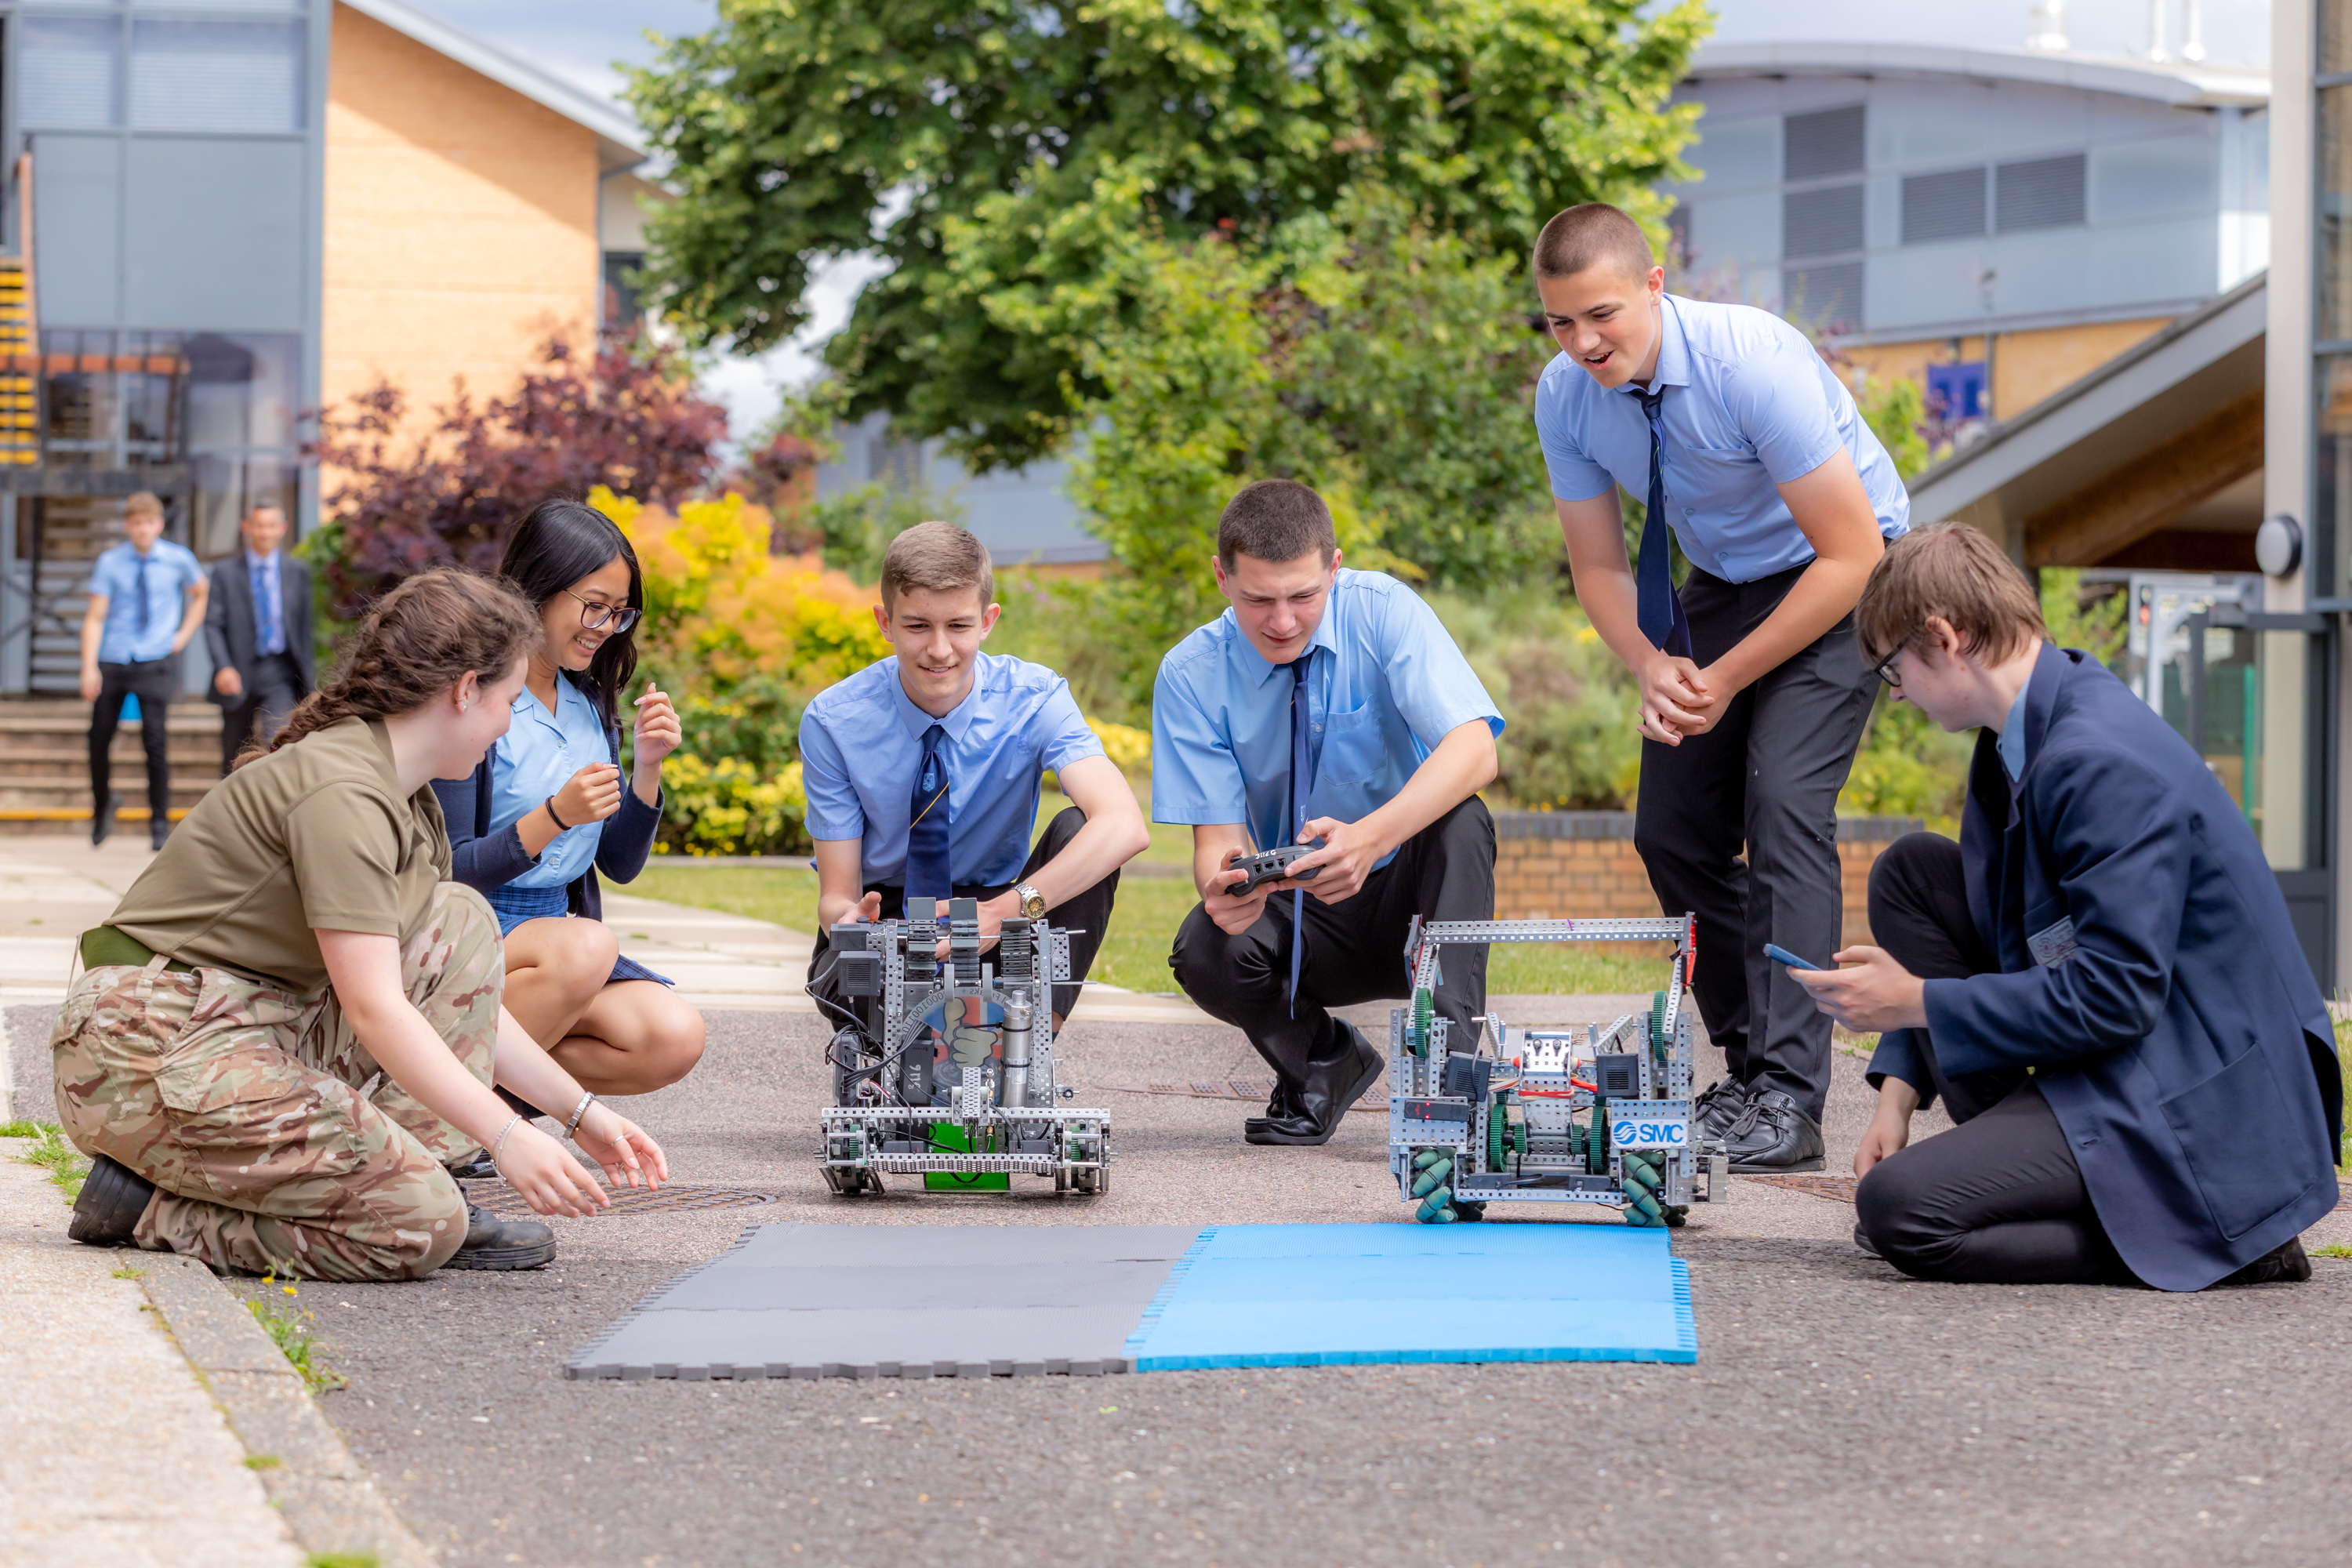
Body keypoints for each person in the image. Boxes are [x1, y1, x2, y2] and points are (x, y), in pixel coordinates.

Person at [50, 569, 669, 1281]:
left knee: (460, 918)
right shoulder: (344, 789)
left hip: (243, 1026)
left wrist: (582, 1112)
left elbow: (463, 1003)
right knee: (418, 1227)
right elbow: (377, 1010)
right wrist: (506, 1136)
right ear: (464, 690)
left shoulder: (406, 800)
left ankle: (412, 1180)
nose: (507, 724)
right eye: (506, 700)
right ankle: (151, 1211)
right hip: (142, 1056)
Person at [1790, 524, 2341, 1290]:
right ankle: (2019, 1157)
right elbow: (2009, 927)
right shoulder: (2023, 731)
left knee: (1902, 1211)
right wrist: (1897, 1092)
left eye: (1893, 671)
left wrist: (1914, 1001)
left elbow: (2115, 994)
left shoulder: (2098, 759)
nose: (1898, 695)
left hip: (2205, 1101)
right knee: (1913, 872)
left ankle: (2228, 1238)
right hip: (2126, 1051)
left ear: (1945, 638)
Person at [1530, 202, 1910, 1174]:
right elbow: (1602, 568)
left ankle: (1790, 1095)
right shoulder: (1566, 396)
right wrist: (1654, 665)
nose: (1583, 343)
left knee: (1784, 803)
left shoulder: (1752, 362)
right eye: (1560, 323)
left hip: (1849, 573)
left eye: (1603, 315)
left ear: (1655, 286)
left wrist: (1725, 678)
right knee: (1673, 833)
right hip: (1726, 585)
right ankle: (1752, 1071)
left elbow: (1852, 550)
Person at [1156, 479, 1504, 1148]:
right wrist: (1225, 889)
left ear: (1335, 569)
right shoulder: (1189, 674)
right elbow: (1217, 844)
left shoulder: (1386, 611)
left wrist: (1369, 840)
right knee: (1204, 947)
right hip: (1299, 907)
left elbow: (1475, 747)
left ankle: (1454, 1088)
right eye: (1258, 599)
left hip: (1412, 894)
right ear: (1221, 578)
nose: (1282, 622)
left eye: (1303, 597)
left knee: (1464, 819)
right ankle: (1323, 1063)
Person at [800, 522, 1149, 1087]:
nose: (939, 650)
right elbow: (837, 893)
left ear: (987, 621)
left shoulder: (1036, 698)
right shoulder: (833, 720)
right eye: (917, 626)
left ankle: (1027, 1052)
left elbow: (1124, 825)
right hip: (888, 914)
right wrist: (847, 920)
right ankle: (905, 1063)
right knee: (874, 990)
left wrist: (1002, 912)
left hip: (1007, 914)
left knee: (1082, 825)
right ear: (885, 623)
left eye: (959, 625)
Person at [434, 499, 705, 1108]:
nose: (606, 627)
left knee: (672, 1035)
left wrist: (648, 768)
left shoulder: (589, 703)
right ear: (538, 589)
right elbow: (447, 872)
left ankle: (477, 1106)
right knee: (588, 946)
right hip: (472, 929)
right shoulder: (471, 699)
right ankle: (456, 1118)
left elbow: (618, 864)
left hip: (556, 942)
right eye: (593, 606)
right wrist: (554, 816)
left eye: (619, 612)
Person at [80, 491, 207, 849]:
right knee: (98, 740)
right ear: (127, 526)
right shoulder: (110, 562)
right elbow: (95, 616)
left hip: (154, 659)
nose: (142, 530)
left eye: (148, 523)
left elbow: (201, 592)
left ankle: (158, 824)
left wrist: (182, 635)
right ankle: (102, 806)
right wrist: (88, 666)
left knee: (155, 742)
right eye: (136, 524)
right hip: (114, 657)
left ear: (159, 524)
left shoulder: (178, 559)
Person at [205, 501, 314, 773]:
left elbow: (304, 630)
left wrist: (309, 680)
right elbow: (212, 625)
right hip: (238, 671)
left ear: (282, 529)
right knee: (233, 752)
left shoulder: (297, 572)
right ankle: (228, 812)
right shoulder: (224, 573)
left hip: (280, 670)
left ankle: (270, 811)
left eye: (271, 526)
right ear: (246, 528)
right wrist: (223, 666)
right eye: (259, 526)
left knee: (277, 744)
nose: (265, 532)